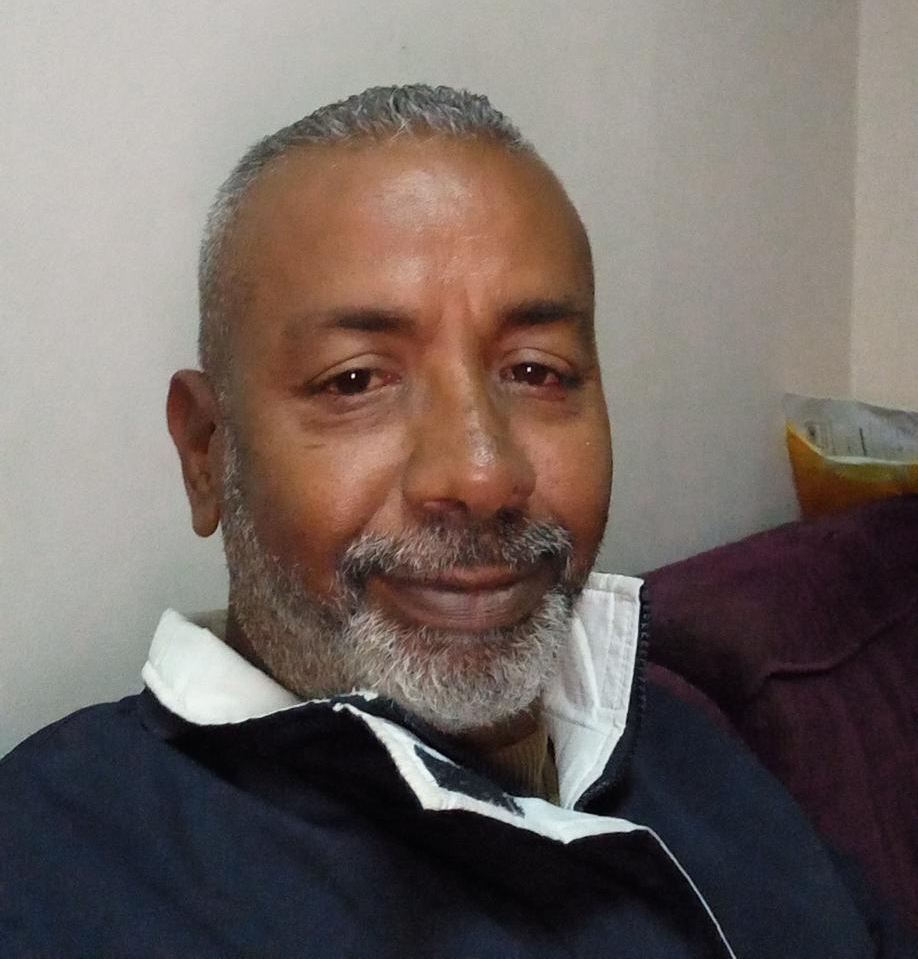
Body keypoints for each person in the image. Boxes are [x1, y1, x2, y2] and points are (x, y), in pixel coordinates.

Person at [1, 83, 914, 957]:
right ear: (207, 453)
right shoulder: (54, 877)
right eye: (356, 381)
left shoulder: (677, 738)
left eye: (537, 371)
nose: (482, 473)